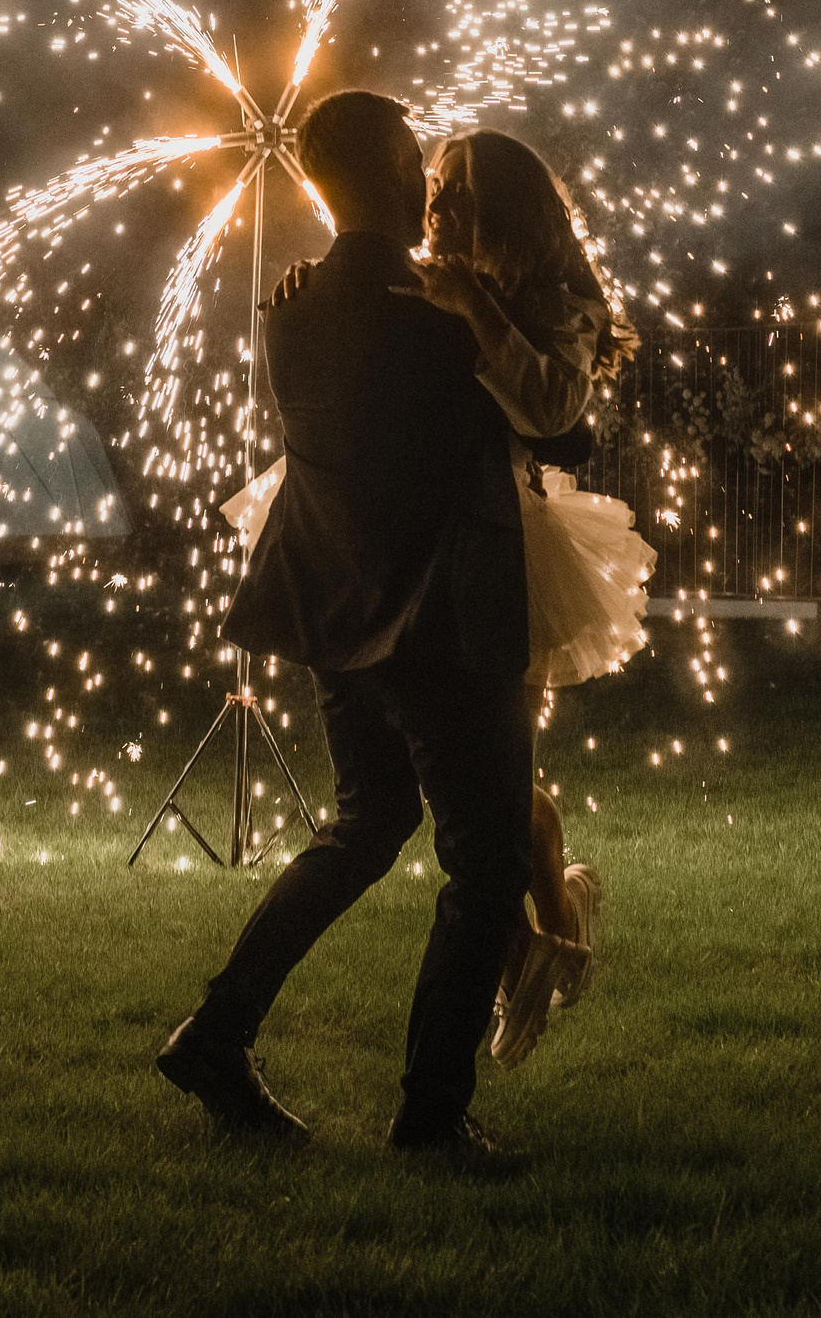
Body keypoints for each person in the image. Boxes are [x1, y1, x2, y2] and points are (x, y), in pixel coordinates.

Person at [156, 90, 533, 1167]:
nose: (429, 179)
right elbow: (565, 432)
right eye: (418, 160)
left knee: (367, 824)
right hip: (434, 619)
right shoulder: (438, 316)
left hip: (329, 603)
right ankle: (429, 1116)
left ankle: (217, 1032)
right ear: (401, 171)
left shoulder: (290, 304)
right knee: (486, 861)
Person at [231, 129, 654, 1069]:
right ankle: (548, 932)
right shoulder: (425, 276)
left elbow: (553, 414)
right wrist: (319, 284)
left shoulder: (553, 295)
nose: (437, 200)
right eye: (436, 181)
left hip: (507, 543)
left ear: (510, 202)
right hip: (419, 546)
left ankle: (545, 935)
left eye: (459, 187)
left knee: (492, 782)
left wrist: (475, 309)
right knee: (485, 792)